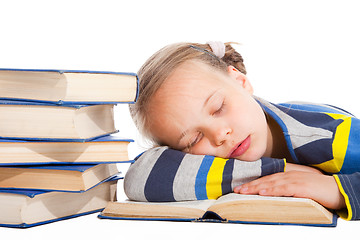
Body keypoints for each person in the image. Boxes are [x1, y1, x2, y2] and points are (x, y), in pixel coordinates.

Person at [125, 41, 360, 221]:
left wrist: (338, 190)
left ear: (240, 82)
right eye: (194, 139)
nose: (219, 135)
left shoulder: (334, 138)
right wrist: (277, 171)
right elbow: (139, 179)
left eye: (218, 108)